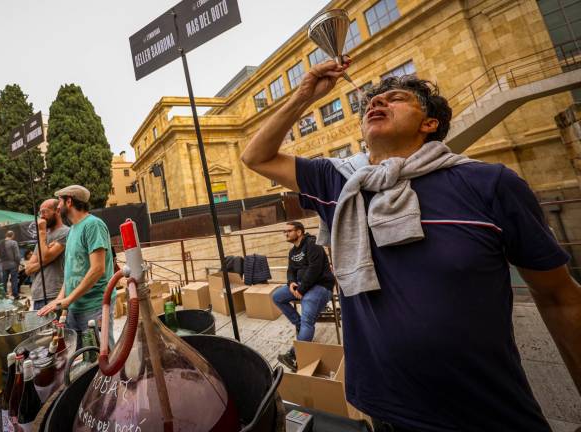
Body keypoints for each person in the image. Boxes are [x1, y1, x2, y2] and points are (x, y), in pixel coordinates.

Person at [240, 58, 581, 431]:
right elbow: (256, 156)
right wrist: (305, 94)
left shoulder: (489, 184)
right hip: (384, 410)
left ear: (429, 124)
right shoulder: (341, 183)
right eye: (371, 101)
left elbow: (559, 297)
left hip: (487, 412)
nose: (376, 102)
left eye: (395, 98)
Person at [37, 185, 115, 347]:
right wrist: (60, 299)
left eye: (59, 201)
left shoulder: (93, 225)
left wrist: (69, 299)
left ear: (69, 201)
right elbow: (71, 272)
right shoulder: (72, 230)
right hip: (75, 307)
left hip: (95, 306)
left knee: (102, 359)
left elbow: (98, 269)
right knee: (82, 362)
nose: (58, 207)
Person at [273, 221, 334, 371]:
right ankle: (300, 325)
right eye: (284, 231)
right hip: (301, 285)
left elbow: (315, 269)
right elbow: (290, 270)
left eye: (288, 231)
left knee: (308, 318)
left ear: (299, 232)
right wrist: (291, 283)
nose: (285, 234)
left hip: (320, 286)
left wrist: (301, 289)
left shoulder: (313, 244)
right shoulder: (293, 252)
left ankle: (294, 355)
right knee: (277, 297)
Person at [27, 199, 70, 311]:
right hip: (37, 296)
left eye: (45, 211)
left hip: (54, 295)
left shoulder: (65, 232)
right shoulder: (44, 238)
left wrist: (41, 232)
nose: (42, 216)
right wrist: (48, 256)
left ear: (58, 211)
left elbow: (44, 256)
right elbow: (28, 268)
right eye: (40, 213)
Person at [0, 231, 21, 297]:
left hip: (3, 264)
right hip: (13, 264)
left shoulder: (0, 243)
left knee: (4, 280)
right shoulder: (13, 243)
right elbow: (17, 255)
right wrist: (19, 263)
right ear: (12, 235)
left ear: (6, 235)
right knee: (14, 280)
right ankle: (15, 294)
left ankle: (3, 295)